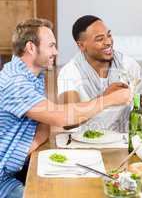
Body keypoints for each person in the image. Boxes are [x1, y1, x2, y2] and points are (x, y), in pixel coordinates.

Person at [0, 18, 131, 198]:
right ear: (31, 48)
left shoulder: (32, 76)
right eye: (51, 46)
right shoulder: (16, 82)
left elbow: (46, 125)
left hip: (13, 169)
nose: (56, 51)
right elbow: (61, 117)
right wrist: (109, 100)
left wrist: (19, 155)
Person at [57, 15, 142, 131]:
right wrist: (106, 97)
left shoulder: (128, 65)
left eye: (109, 35)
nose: (108, 42)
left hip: (122, 140)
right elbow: (67, 121)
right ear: (81, 45)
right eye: (99, 39)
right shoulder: (70, 72)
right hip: (85, 142)